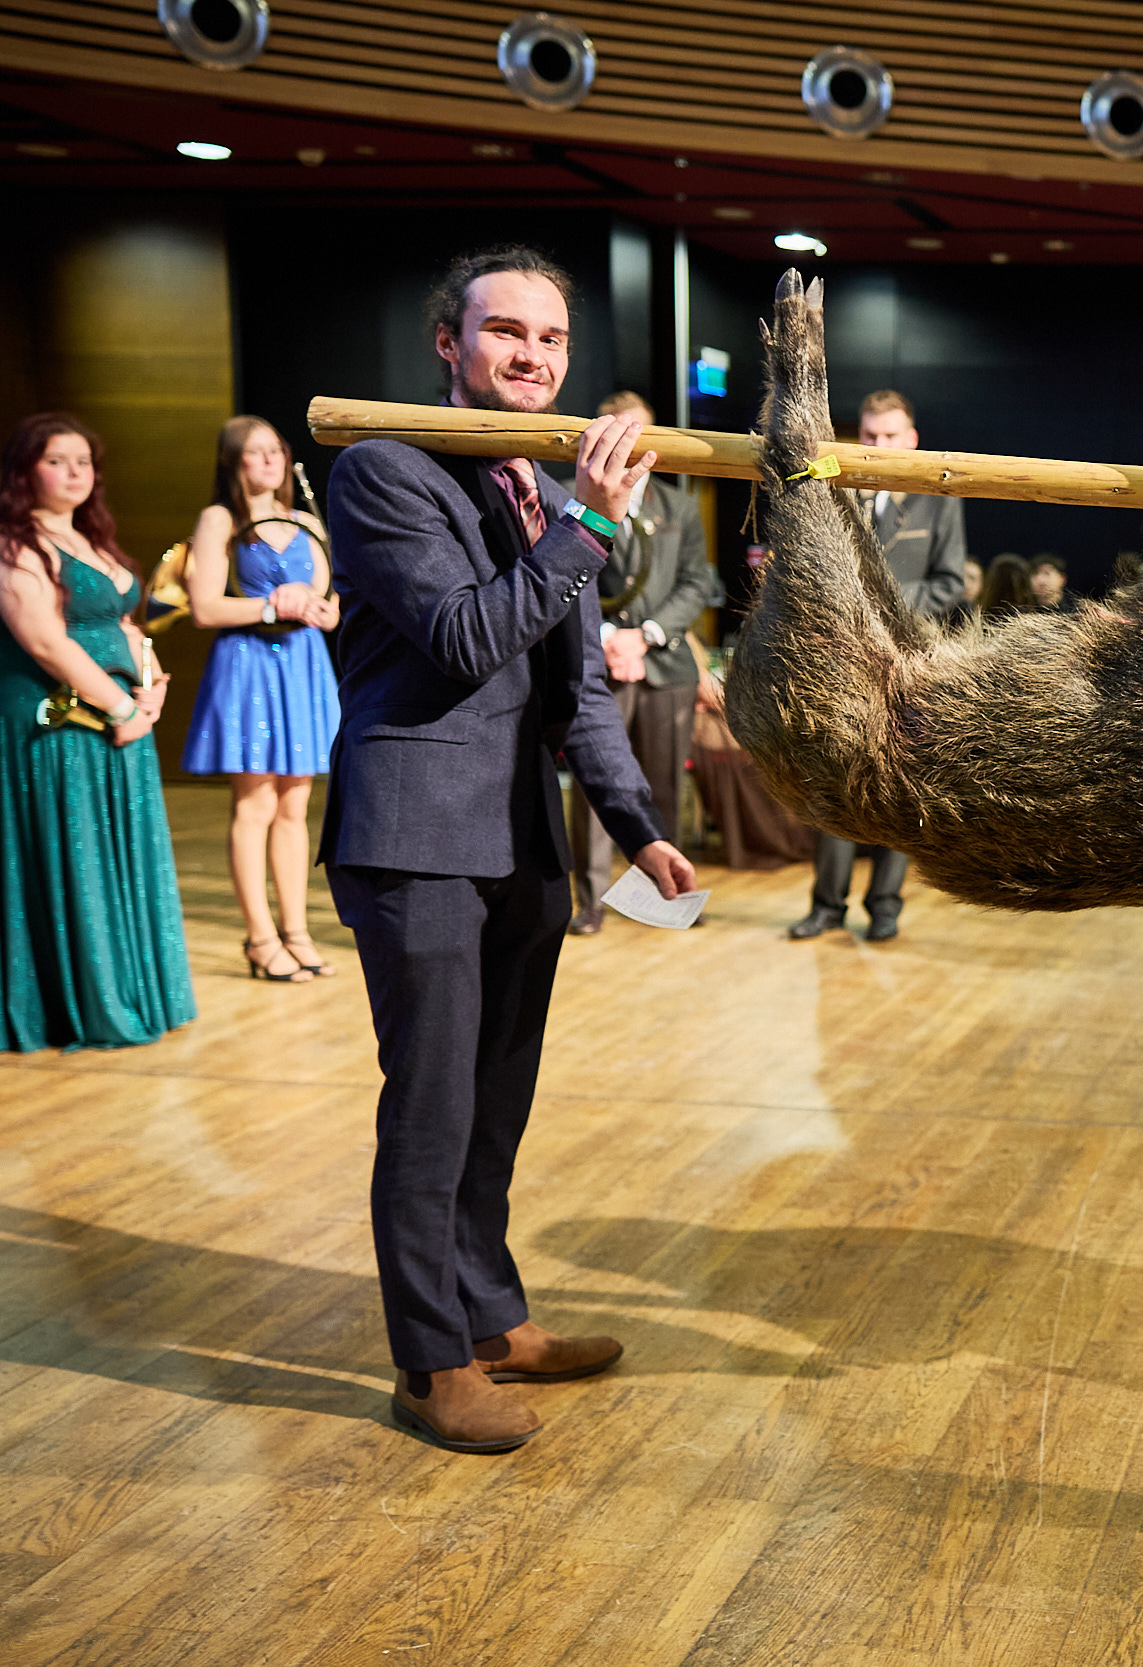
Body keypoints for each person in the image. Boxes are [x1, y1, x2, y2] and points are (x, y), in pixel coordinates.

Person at [320, 245, 695, 1452]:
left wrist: (637, 825)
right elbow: (465, 636)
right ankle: (430, 1362)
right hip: (416, 830)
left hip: (524, 840)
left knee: (494, 1102)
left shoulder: (532, 487)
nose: (532, 356)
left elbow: (576, 688)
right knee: (432, 1105)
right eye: (505, 331)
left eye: (552, 338)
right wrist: (591, 522)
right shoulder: (384, 468)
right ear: (449, 343)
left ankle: (492, 1316)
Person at [0, 414, 195, 1052]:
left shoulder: (90, 539)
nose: (75, 472)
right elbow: (45, 641)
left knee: (120, 854)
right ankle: (86, 1003)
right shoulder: (15, 544)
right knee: (78, 854)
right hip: (63, 725)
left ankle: (132, 988)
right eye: (57, 461)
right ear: (25, 469)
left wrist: (152, 687)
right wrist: (119, 709)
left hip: (120, 719)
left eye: (83, 461)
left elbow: (127, 625)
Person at [788, 389, 965, 944]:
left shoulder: (938, 498)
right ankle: (826, 906)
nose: (879, 444)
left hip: (913, 667)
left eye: (890, 436)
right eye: (869, 435)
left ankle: (885, 905)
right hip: (843, 666)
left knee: (902, 789)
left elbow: (949, 583)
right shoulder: (836, 488)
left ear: (911, 440)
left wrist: (882, 606)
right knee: (832, 785)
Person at [179, 415, 344, 982]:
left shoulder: (305, 519)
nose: (271, 460)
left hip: (301, 662)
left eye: (276, 449)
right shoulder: (220, 519)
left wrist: (321, 610)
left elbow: (331, 602)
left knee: (295, 806)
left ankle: (296, 932)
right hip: (249, 662)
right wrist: (273, 605)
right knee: (255, 806)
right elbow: (204, 607)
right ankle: (260, 937)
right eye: (256, 452)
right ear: (233, 462)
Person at [565, 390, 721, 935]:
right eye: (616, 432)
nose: (627, 444)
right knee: (595, 790)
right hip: (600, 664)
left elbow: (697, 582)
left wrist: (646, 637)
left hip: (665, 666)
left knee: (663, 787)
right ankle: (590, 901)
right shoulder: (569, 498)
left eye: (638, 433)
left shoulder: (680, 506)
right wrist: (609, 637)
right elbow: (564, 574)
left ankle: (666, 895)